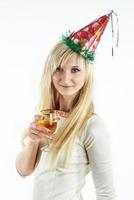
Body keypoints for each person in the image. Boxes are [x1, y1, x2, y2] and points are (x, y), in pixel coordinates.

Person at [16, 10, 117, 200]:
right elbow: (23, 171)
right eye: (59, 69)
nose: (66, 78)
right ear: (50, 72)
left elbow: (106, 193)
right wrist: (34, 141)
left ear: (87, 75)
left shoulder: (92, 126)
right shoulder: (44, 114)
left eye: (75, 70)